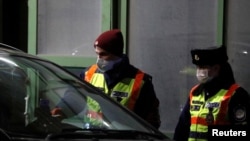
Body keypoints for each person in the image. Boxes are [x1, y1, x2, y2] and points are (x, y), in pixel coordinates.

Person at [79, 29, 161, 129]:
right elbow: (73, 98)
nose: (99, 58)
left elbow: (151, 122)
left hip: (124, 137)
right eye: (97, 54)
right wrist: (61, 108)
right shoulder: (88, 74)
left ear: (116, 54)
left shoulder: (141, 81)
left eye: (103, 54)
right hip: (92, 135)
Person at [173, 46, 250, 141]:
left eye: (202, 67)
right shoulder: (195, 93)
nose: (199, 71)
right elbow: (182, 128)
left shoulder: (236, 94)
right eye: (197, 67)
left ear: (216, 68)